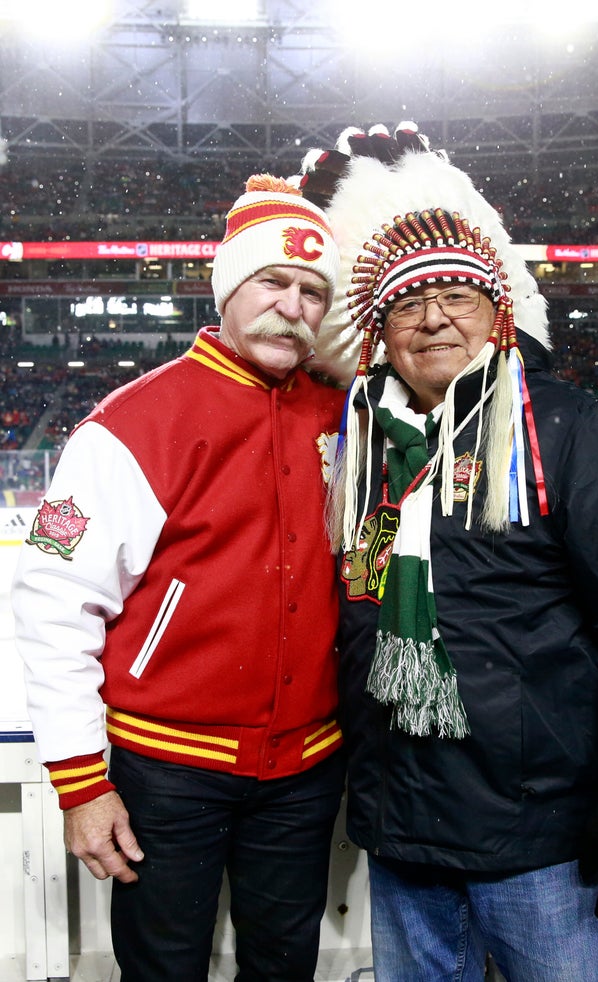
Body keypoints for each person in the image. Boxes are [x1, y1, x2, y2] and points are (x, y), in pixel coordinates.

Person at [298, 126, 598, 982]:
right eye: (409, 302)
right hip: (404, 835)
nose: (434, 316)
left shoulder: (569, 431)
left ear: (499, 311)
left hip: (540, 844)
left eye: (457, 294)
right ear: (381, 329)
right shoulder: (361, 448)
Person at [12, 174, 346, 982]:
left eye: (311, 290)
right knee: (164, 968)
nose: (292, 305)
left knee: (285, 966)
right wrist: (80, 781)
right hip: (167, 768)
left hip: (306, 767)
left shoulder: (344, 414)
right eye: (273, 281)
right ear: (229, 287)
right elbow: (54, 602)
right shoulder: (129, 425)